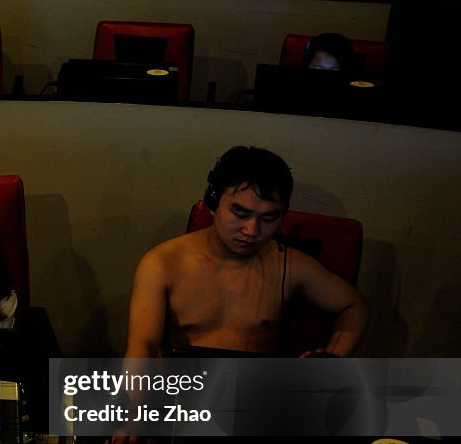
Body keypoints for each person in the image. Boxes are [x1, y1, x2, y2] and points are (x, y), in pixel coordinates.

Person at [125, 146, 368, 359]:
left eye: (269, 218)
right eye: (240, 214)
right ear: (213, 202)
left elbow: (353, 306)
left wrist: (333, 358)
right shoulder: (162, 263)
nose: (252, 230)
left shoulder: (289, 265)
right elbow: (142, 349)